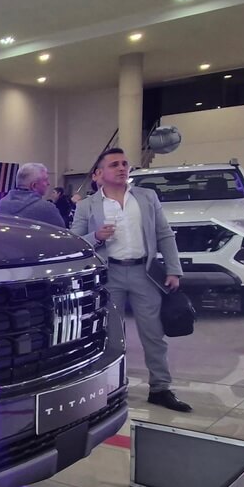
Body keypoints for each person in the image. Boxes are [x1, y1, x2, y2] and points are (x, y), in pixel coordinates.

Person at [72, 148, 190, 412]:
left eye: (124, 164)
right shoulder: (87, 205)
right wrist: (96, 237)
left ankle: (160, 388)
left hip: (143, 273)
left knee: (154, 334)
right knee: (111, 335)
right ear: (99, 173)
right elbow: (75, 241)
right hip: (109, 275)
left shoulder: (146, 197)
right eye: (114, 164)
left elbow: (164, 233)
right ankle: (110, 388)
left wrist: (174, 269)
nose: (122, 168)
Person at [0, 163, 65, 227]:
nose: (48, 183)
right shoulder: (47, 208)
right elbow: (63, 233)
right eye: (45, 180)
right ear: (34, 186)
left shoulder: (1, 204)